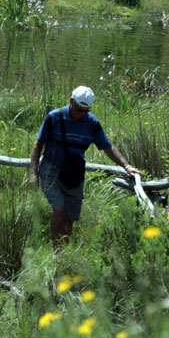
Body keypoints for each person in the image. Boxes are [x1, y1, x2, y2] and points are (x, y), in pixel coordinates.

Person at [29, 86, 140, 248]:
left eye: (85, 111)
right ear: (71, 101)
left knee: (70, 218)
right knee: (59, 209)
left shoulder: (91, 123)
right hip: (50, 170)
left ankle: (64, 253)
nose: (81, 114)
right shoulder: (54, 117)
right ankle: (56, 252)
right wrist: (33, 173)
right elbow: (38, 144)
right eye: (79, 109)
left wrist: (126, 166)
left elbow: (108, 147)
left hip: (74, 174)